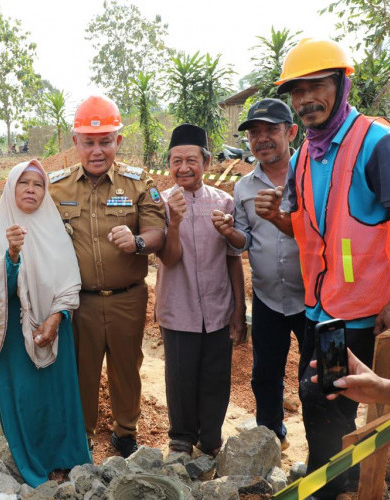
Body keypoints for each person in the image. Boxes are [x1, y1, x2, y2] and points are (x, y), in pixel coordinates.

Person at [0, 95, 167, 457]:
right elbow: (22, 204)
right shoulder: (56, 186)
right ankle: (81, 436)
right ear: (76, 143)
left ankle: (125, 434)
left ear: (118, 142)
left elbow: (158, 230)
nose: (97, 150)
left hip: (128, 296)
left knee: (128, 367)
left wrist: (139, 242)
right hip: (81, 302)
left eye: (105, 141)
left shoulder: (137, 182)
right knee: (81, 371)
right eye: (89, 142)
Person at [256, 38, 390, 498]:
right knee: (323, 401)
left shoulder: (376, 142)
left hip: (365, 316)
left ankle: (342, 486)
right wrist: (278, 217)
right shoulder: (303, 159)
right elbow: (309, 233)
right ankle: (332, 482)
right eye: (297, 91)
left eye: (317, 86)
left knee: (344, 402)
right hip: (323, 311)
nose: (305, 99)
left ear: (342, 83)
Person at [0, 159, 91, 486]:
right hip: (14, 335)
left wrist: (57, 316)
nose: (31, 189)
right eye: (23, 183)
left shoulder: (56, 229)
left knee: (60, 396)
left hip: (57, 327)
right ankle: (37, 464)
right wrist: (12, 256)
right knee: (27, 400)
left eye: (38, 184)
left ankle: (68, 459)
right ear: (12, 188)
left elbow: (70, 281)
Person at [214, 98, 305, 451]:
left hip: (314, 297)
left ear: (291, 132)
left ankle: (321, 445)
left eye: (271, 130)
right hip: (268, 296)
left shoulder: (311, 175)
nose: (262, 138)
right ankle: (271, 438)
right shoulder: (244, 187)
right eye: (255, 133)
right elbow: (243, 239)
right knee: (265, 374)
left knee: (314, 374)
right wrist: (228, 232)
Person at [156, 124, 246, 458]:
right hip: (177, 308)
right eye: (176, 161)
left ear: (206, 163)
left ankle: (210, 438)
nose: (183, 168)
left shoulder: (224, 202)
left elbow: (233, 259)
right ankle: (181, 437)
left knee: (216, 377)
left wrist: (238, 310)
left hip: (219, 309)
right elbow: (167, 256)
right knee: (180, 377)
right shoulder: (160, 205)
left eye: (191, 160)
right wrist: (174, 221)